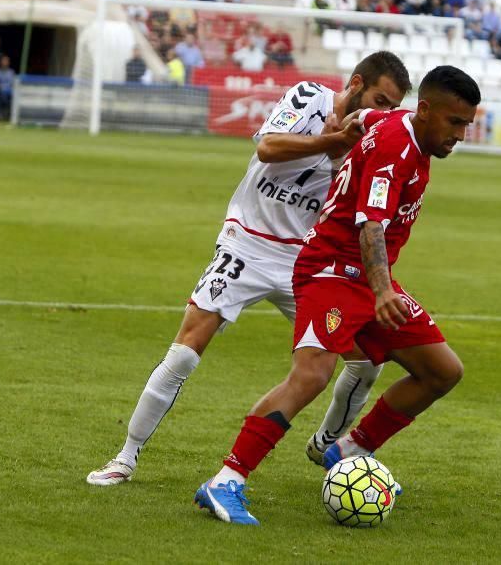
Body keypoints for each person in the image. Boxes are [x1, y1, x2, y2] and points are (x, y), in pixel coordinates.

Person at [86, 52, 412, 487]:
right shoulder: (309, 97)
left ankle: (328, 445)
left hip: (308, 261)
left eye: (392, 106)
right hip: (248, 244)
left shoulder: (370, 140)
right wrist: (329, 144)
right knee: (185, 349)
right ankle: (124, 457)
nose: (383, 112)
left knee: (367, 361)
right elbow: (268, 147)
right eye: (379, 99)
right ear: (355, 84)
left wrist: (348, 153)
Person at [194, 65, 480, 526]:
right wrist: (385, 291)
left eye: (467, 124)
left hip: (366, 277)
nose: (462, 134)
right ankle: (226, 480)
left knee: (442, 371)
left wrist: (346, 127)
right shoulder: (395, 150)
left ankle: (349, 450)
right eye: (455, 122)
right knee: (312, 374)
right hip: (331, 271)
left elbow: (362, 121)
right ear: (426, 111)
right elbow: (371, 225)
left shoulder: (392, 121)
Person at [0, 55, 15, 122]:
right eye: (3, 61)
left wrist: (6, 88)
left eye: (6, 61)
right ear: (0, 62)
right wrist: (0, 88)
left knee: (7, 95)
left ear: (8, 63)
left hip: (9, 94)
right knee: (0, 95)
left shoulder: (11, 72)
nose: (5, 62)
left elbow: (12, 84)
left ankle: (6, 116)